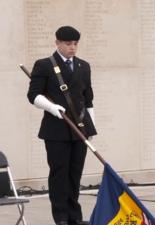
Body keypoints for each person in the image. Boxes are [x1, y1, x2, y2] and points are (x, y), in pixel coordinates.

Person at [27, 26, 97, 225]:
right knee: (59, 174)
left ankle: (75, 216)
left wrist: (91, 129)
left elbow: (88, 99)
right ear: (57, 43)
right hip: (56, 130)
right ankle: (61, 217)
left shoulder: (84, 66)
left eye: (75, 44)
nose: (72, 48)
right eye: (68, 44)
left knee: (75, 174)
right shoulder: (44, 65)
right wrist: (51, 107)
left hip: (79, 129)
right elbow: (33, 95)